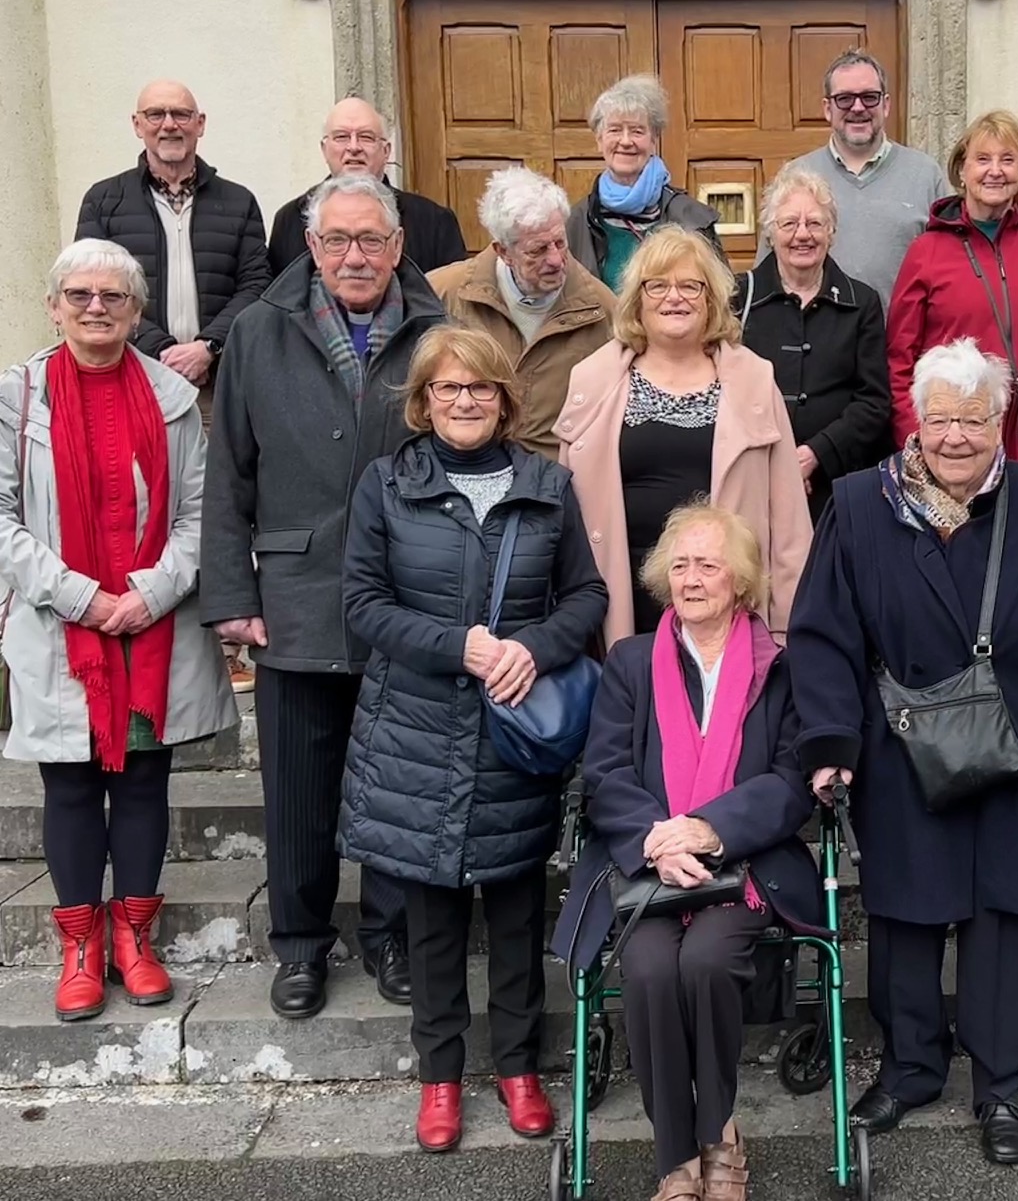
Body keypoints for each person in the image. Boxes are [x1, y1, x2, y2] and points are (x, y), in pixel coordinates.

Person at [788, 338, 1018, 1168]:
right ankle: (909, 1069)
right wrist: (831, 740)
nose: (957, 436)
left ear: (1000, 418)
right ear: (917, 419)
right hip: (903, 742)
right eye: (941, 418)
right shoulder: (861, 503)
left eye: (975, 418)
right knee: (904, 910)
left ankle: (1001, 1084)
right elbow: (822, 634)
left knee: (1006, 916)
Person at [338, 322, 607, 1152]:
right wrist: (458, 646)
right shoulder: (387, 483)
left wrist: (534, 646)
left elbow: (587, 598)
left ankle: (520, 1067)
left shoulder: (548, 484)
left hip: (513, 737)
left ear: (504, 398)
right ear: (423, 401)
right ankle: (441, 1076)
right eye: (448, 388)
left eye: (480, 387)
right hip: (416, 735)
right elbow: (362, 604)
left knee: (521, 912)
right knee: (434, 920)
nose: (464, 400)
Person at [200, 174, 448, 1020]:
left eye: (370, 240)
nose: (354, 256)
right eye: (337, 240)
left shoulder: (436, 330)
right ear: (310, 246)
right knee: (299, 790)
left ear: (397, 245)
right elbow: (227, 471)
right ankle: (301, 944)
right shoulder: (260, 332)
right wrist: (232, 595)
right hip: (295, 596)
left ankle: (388, 938)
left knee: (394, 786)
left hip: (408, 600)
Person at [551, 504, 823, 1201]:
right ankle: (676, 1156)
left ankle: (719, 1134)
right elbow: (604, 769)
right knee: (645, 969)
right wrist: (655, 837)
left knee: (705, 960)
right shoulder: (630, 662)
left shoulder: (779, 666)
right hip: (647, 867)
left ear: (740, 580)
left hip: (746, 866)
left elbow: (793, 780)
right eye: (679, 565)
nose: (692, 579)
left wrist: (706, 828)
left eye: (708, 564)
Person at [0, 240, 236, 1021]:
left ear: (138, 312)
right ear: (53, 305)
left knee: (142, 781)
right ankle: (79, 949)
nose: (96, 307)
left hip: (149, 623)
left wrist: (144, 593)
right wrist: (82, 598)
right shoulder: (17, 396)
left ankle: (136, 938)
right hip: (59, 623)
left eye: (113, 296)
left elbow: (203, 515)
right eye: (80, 294)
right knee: (69, 782)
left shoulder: (172, 396)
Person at [75, 80, 272, 694]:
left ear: (201, 123)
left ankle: (231, 646)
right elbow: (95, 284)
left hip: (219, 383)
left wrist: (208, 348)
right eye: (156, 114)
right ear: (137, 124)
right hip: (137, 378)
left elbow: (256, 285)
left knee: (220, 509)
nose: (169, 124)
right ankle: (156, 629)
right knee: (147, 507)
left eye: (180, 114)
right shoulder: (105, 201)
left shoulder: (237, 202)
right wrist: (161, 350)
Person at [557, 226, 812, 646]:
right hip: (619, 603)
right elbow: (565, 520)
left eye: (690, 286)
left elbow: (790, 529)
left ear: (711, 300)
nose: (674, 297)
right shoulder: (592, 381)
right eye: (657, 285)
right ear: (637, 301)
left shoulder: (754, 381)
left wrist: (786, 631)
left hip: (727, 607)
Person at [887, 110, 1018, 468]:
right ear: (962, 170)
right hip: (955, 443)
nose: (995, 171)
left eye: (1007, 160)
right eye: (982, 159)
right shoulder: (926, 251)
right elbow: (899, 359)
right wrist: (917, 437)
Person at [731, 163, 890, 517]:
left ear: (831, 232)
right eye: (789, 223)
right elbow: (722, 391)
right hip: (753, 479)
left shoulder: (861, 302)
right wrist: (777, 461)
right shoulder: (737, 298)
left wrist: (813, 454)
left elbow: (873, 402)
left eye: (814, 223)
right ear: (770, 233)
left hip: (836, 486)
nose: (802, 234)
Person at [427, 167, 613, 459]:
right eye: (537, 250)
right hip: (461, 478)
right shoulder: (443, 295)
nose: (554, 259)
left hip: (555, 487)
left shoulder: (602, 309)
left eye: (560, 243)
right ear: (503, 251)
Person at [785, 50, 949, 307]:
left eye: (869, 97)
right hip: (818, 342)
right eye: (845, 99)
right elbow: (770, 273)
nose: (858, 107)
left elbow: (949, 270)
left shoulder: (925, 175)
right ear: (828, 108)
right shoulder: (795, 177)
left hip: (903, 342)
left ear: (886, 105)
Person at [267, 96, 466, 277]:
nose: (354, 147)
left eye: (366, 137)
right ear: (324, 149)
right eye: (341, 137)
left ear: (386, 151)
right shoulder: (290, 219)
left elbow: (452, 300)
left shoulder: (434, 222)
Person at [566, 76, 722, 290]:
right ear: (599, 140)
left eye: (637, 131)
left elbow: (719, 299)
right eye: (614, 130)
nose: (626, 141)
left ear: (654, 140)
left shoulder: (693, 220)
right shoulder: (575, 222)